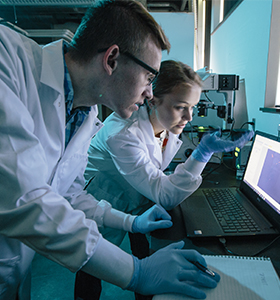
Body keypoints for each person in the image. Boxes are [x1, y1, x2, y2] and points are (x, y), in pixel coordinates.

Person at [0, 1, 221, 299]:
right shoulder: (7, 59)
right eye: (149, 78)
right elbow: (23, 199)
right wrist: (136, 272)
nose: (150, 94)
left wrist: (132, 223)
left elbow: (70, 196)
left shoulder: (84, 113)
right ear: (112, 59)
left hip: (14, 269)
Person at [75, 59, 254, 298]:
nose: (189, 117)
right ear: (152, 99)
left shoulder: (165, 123)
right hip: (104, 197)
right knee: (95, 261)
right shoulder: (122, 133)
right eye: (181, 107)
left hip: (137, 196)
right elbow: (164, 194)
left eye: (193, 107)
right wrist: (202, 153)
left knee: (144, 255)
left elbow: (154, 171)